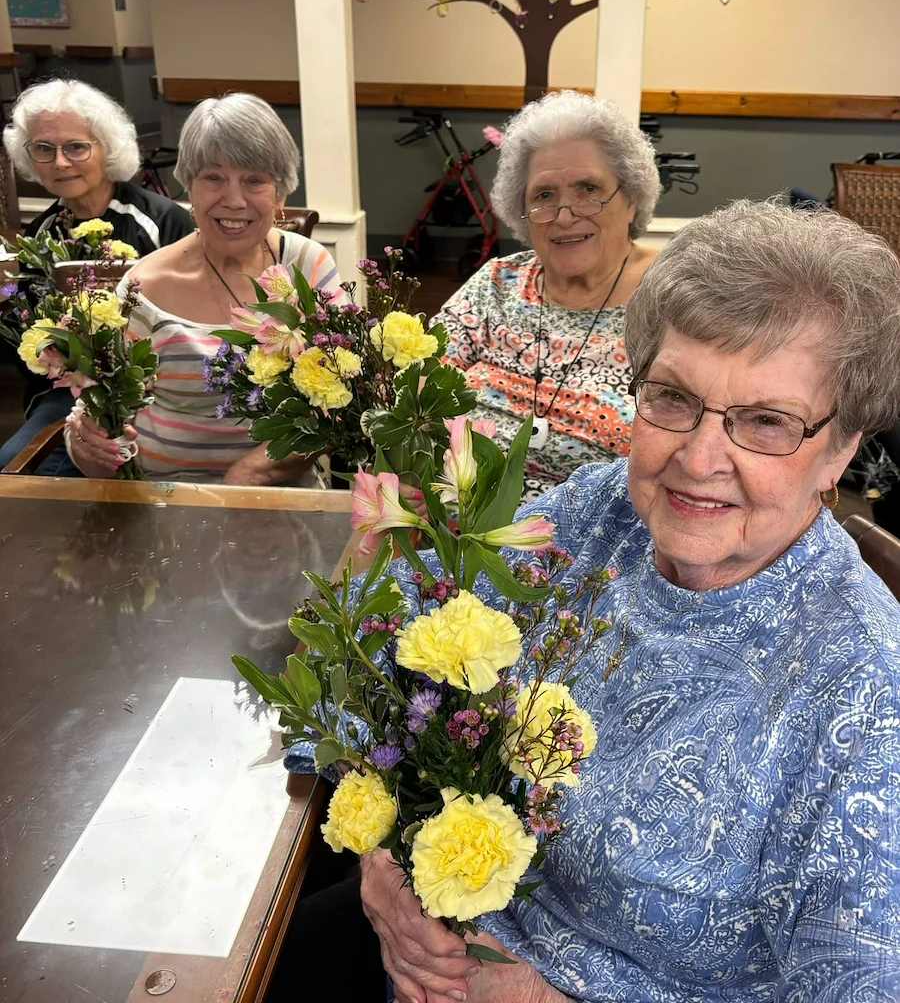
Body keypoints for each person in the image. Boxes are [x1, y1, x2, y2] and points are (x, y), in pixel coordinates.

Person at [280, 199, 900, 1003]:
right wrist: (386, 862)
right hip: (426, 942)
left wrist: (540, 998)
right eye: (672, 398)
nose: (700, 457)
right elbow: (375, 641)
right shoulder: (603, 512)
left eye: (767, 421)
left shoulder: (868, 698)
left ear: (841, 451)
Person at [65, 92, 344, 484]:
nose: (233, 200)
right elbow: (99, 420)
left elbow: (338, 398)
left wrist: (249, 474)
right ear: (188, 188)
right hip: (167, 500)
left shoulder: (307, 267)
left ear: (280, 194)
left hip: (282, 495)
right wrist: (88, 443)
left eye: (254, 180)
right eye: (213, 177)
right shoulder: (144, 288)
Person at [433, 90, 661, 499]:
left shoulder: (674, 300)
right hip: (458, 530)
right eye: (544, 195)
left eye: (588, 189)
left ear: (631, 198)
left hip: (598, 547)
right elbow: (417, 391)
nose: (565, 215)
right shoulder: (497, 284)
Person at [0, 78, 194, 474]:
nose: (60, 162)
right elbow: (29, 354)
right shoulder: (41, 236)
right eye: (43, 148)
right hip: (67, 398)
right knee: (10, 472)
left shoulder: (162, 222)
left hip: (160, 391)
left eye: (75, 146)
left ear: (107, 147)